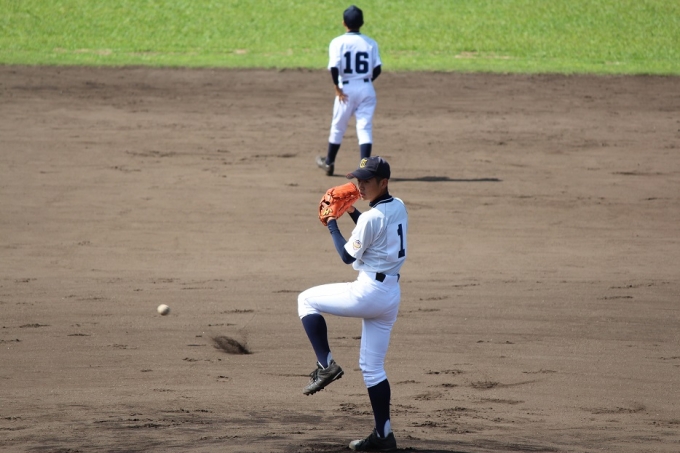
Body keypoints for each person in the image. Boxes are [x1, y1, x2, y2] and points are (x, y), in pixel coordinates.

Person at [298, 156, 407, 451]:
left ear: (383, 182)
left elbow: (347, 256)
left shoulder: (373, 218)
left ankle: (326, 365)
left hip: (368, 293)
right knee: (372, 369)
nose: (360, 185)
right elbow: (374, 231)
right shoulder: (398, 206)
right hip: (390, 295)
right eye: (359, 179)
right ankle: (384, 435)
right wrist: (350, 211)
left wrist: (332, 222)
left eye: (367, 181)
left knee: (306, 300)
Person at [316, 5, 382, 177]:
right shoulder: (370, 42)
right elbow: (377, 69)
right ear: (362, 23)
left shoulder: (337, 42)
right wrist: (366, 83)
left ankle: (329, 162)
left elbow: (334, 67)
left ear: (344, 23)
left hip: (346, 88)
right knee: (364, 128)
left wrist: (337, 87)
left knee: (338, 126)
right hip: (366, 88)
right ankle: (365, 168)